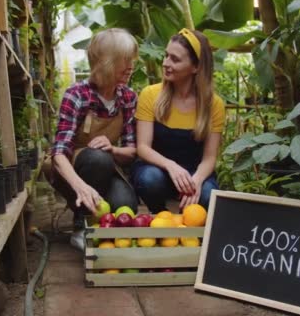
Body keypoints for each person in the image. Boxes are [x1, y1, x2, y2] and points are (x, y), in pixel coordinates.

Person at [48, 28, 139, 249]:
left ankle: (101, 220)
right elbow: (58, 154)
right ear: (107, 62)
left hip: (109, 166)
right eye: (124, 60)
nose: (131, 66)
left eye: (132, 60)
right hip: (74, 169)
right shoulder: (77, 95)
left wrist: (113, 150)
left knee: (126, 206)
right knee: (97, 159)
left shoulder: (127, 97)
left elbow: (132, 151)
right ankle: (81, 224)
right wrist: (80, 187)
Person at [131, 28, 225, 213]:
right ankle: (160, 216)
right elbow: (142, 148)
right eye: (166, 56)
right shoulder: (150, 94)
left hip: (193, 172)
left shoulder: (213, 104)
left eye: (175, 59)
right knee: (150, 180)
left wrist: (196, 181)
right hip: (158, 169)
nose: (165, 63)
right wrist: (171, 166)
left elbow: (209, 158)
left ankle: (190, 223)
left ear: (196, 67)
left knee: (208, 194)